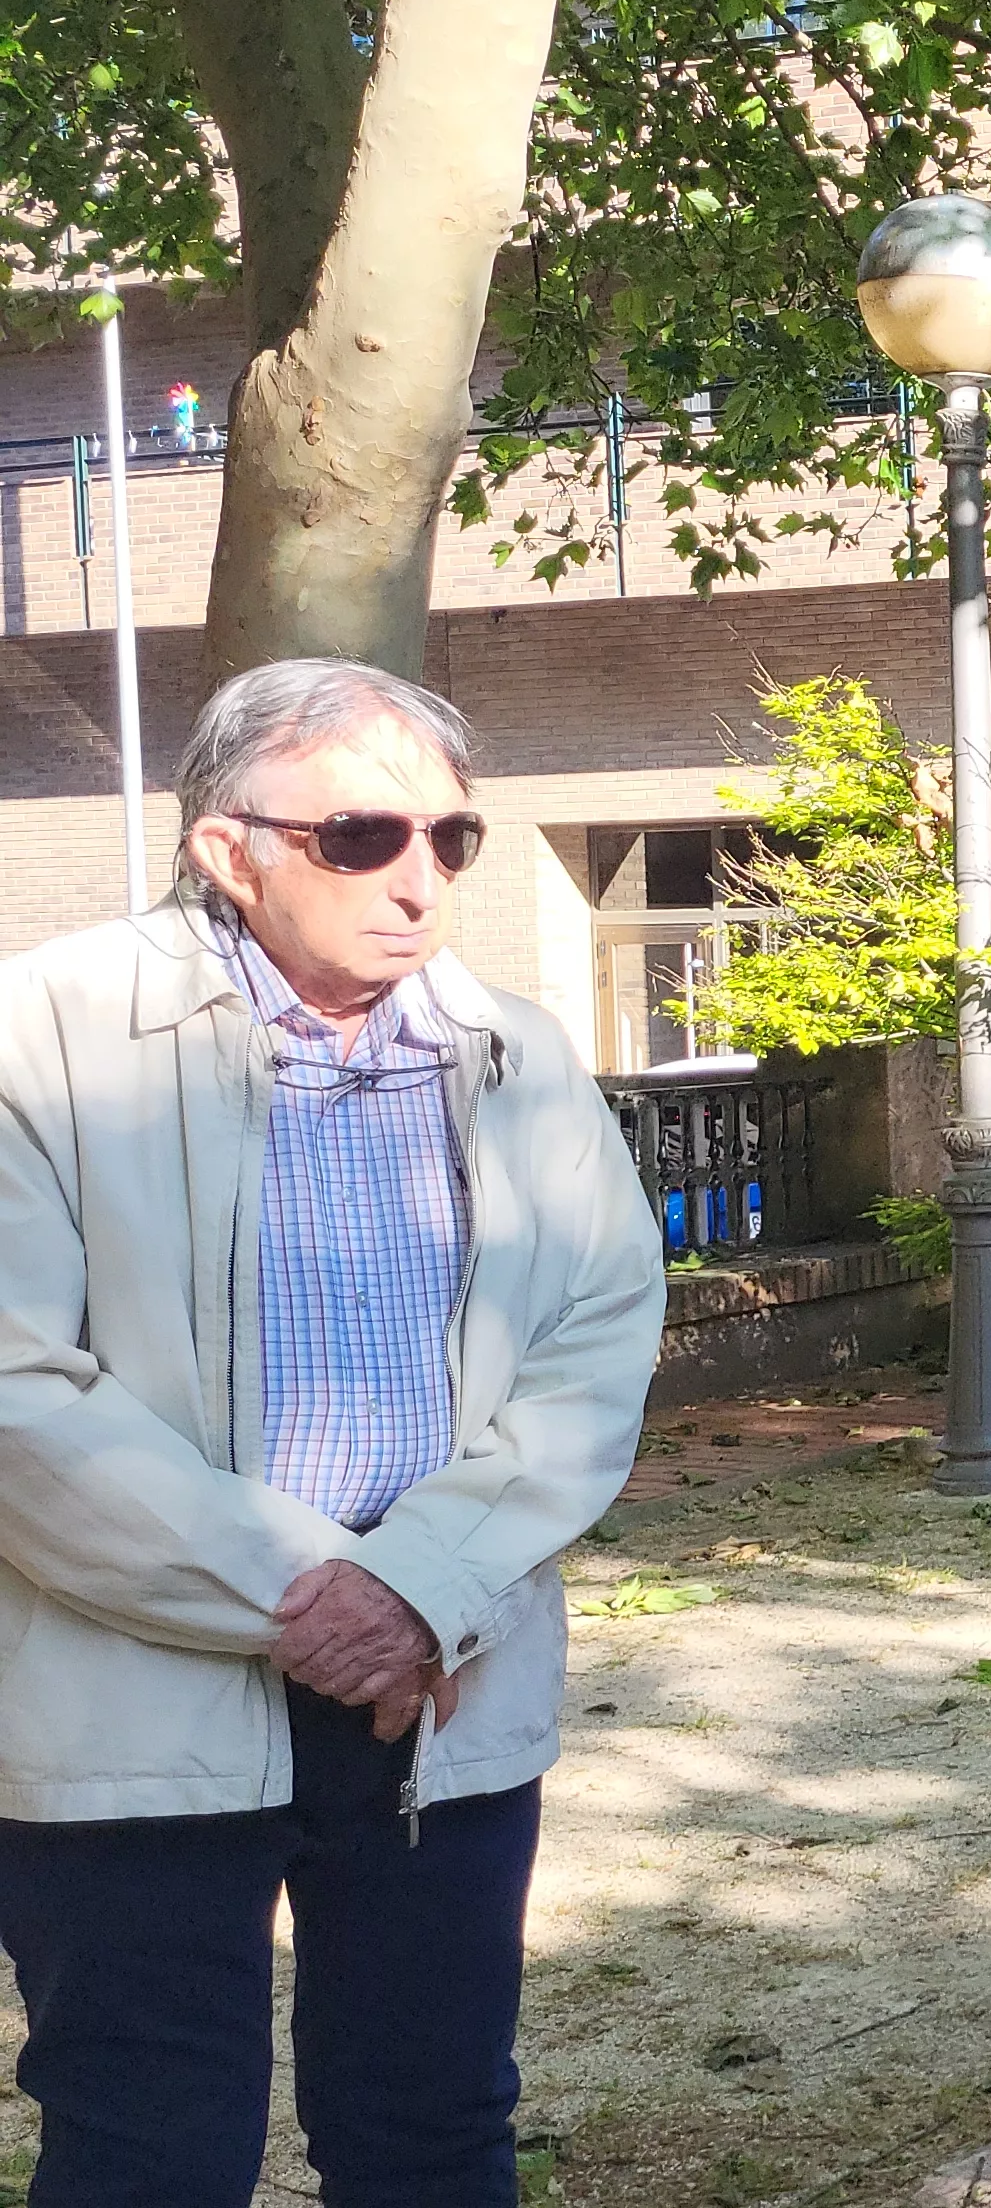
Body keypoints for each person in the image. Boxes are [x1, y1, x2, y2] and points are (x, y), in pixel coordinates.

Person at [0, 658, 667, 2205]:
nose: (421, 880)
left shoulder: (517, 1053)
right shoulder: (39, 1035)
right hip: (133, 1693)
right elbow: (18, 1389)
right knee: (147, 2144)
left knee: (432, 2127)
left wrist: (422, 1585)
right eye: (362, 837)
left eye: (453, 839)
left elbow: (595, 1347)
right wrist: (315, 1598)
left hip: (439, 1678)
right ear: (225, 846)